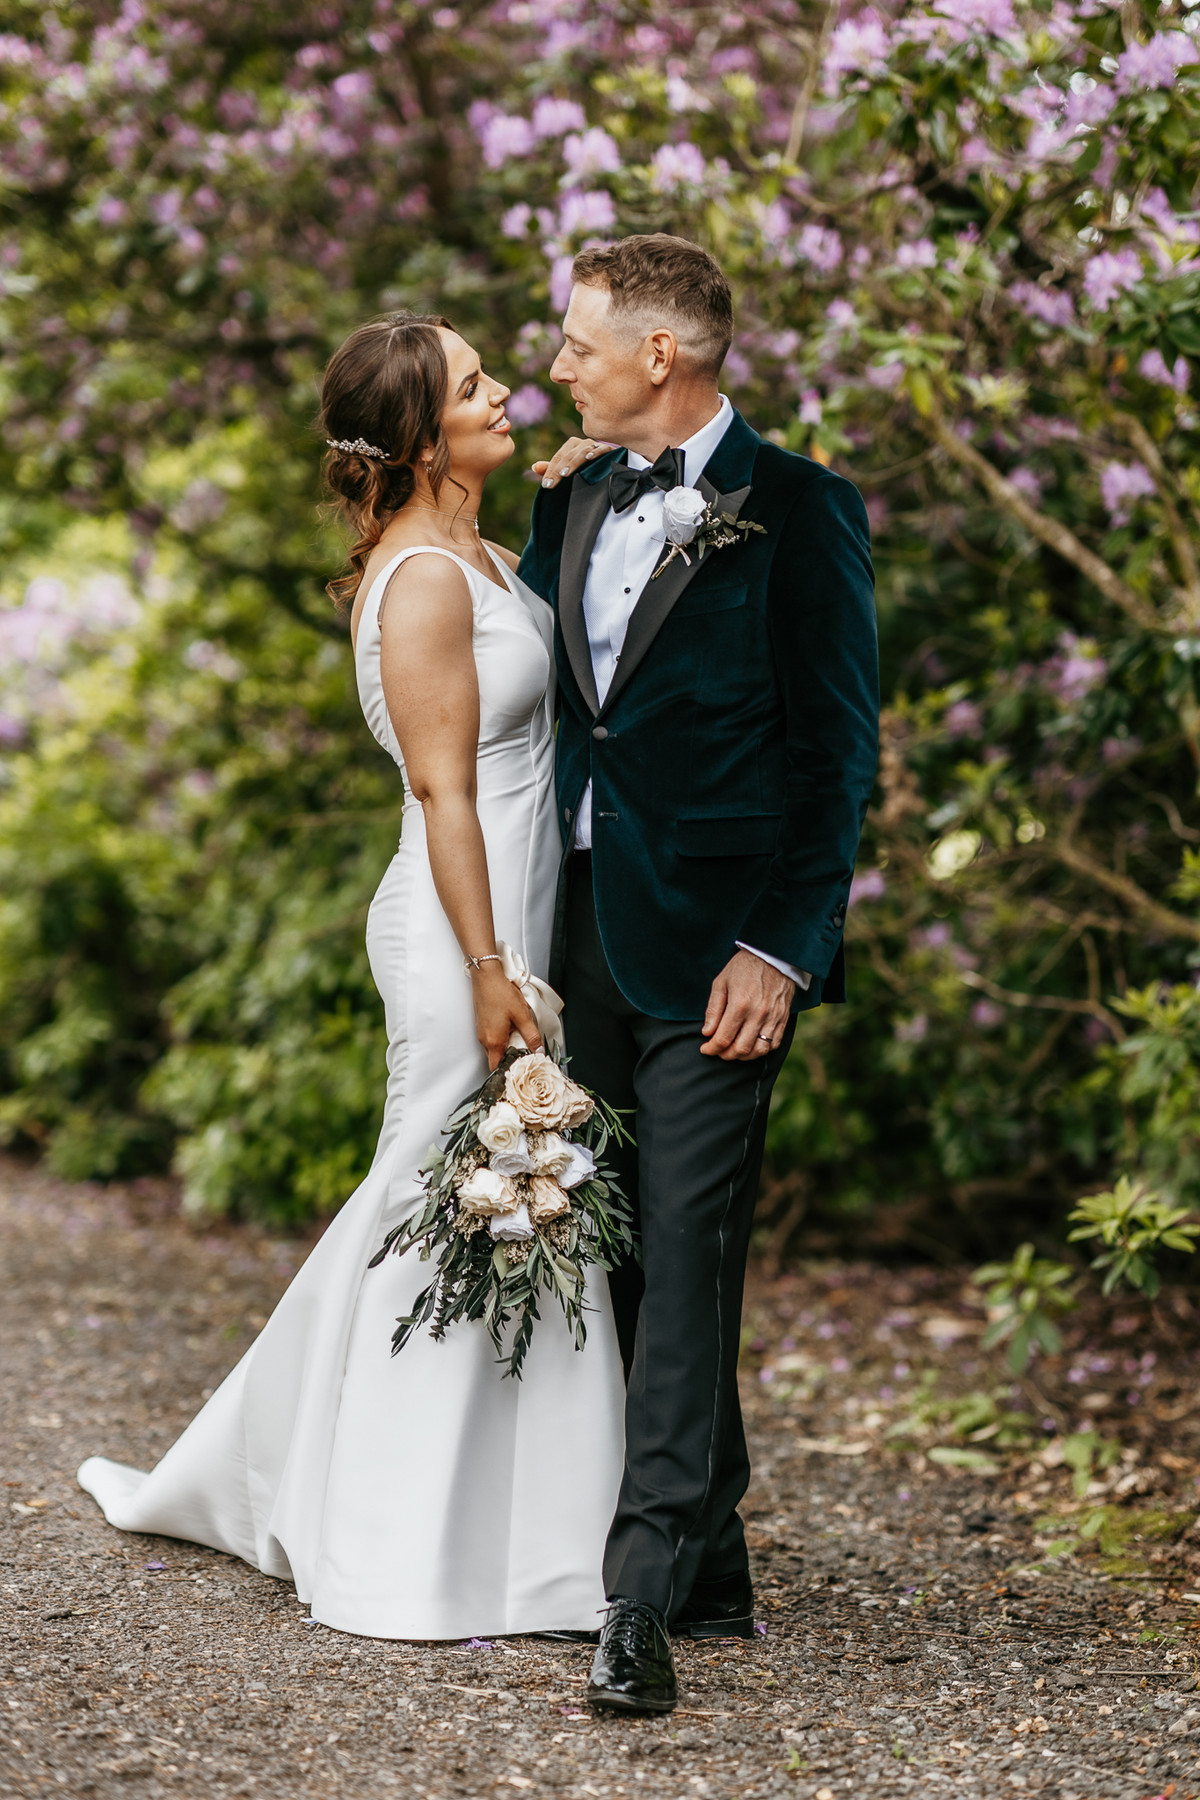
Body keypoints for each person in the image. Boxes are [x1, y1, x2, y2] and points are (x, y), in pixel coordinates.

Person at [77, 313, 627, 1642]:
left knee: (499, 1198)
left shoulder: (485, 553)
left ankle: (524, 1536)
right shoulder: (425, 580)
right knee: (451, 1195)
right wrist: (493, 970)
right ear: (418, 435)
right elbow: (443, 789)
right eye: (476, 384)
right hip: (462, 930)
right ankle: (388, 1539)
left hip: (523, 911)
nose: (506, 393)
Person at [520, 234, 879, 1714]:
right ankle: (713, 1547)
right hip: (578, 936)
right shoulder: (573, 496)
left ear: (658, 356)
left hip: (721, 957)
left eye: (577, 341)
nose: (559, 364)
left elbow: (836, 752)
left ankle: (640, 1599)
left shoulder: (800, 513)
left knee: (692, 1251)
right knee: (620, 1255)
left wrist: (780, 950)